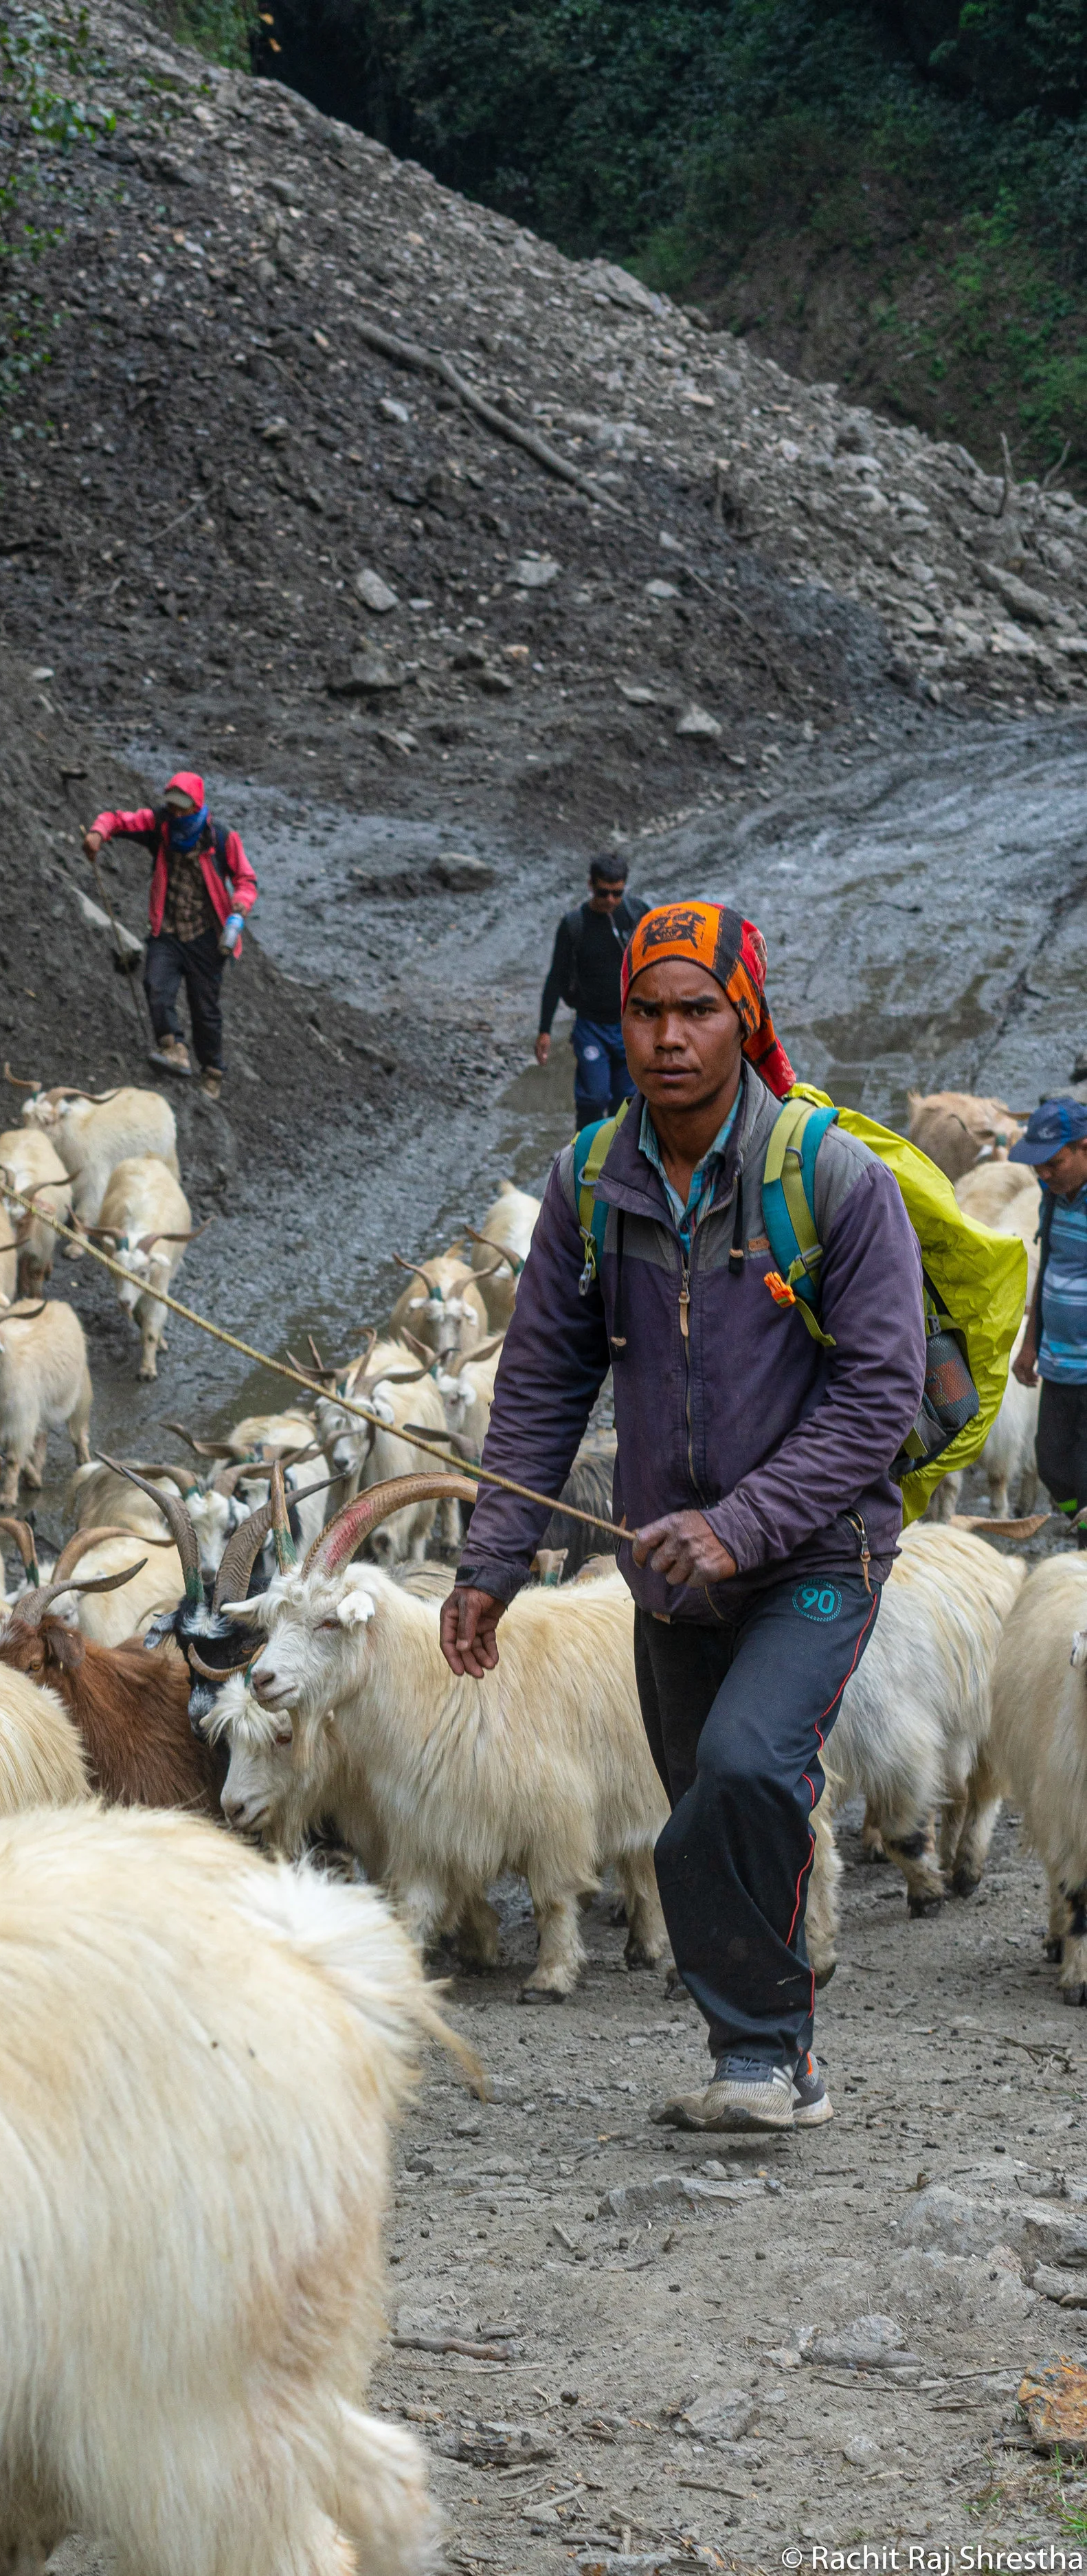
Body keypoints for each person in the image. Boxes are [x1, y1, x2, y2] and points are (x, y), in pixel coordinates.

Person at [442, 901, 927, 2135]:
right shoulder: (593, 1182)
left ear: (744, 1016)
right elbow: (546, 1376)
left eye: (696, 1009)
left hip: (819, 1550)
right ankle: (760, 2055)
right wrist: (494, 1561)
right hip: (667, 1568)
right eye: (646, 1011)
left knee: (751, 1762)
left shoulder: (831, 1178)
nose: (667, 1036)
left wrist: (745, 1521)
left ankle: (770, 2050)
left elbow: (883, 1390)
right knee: (697, 1808)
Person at [82, 773, 258, 1102]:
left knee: (204, 1008)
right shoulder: (159, 825)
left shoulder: (220, 838)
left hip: (207, 937)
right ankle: (173, 1047)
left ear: (197, 806)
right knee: (156, 985)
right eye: (172, 808)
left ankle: (212, 1072)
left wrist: (242, 902)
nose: (177, 816)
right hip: (169, 931)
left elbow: (247, 879)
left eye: (183, 810)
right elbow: (118, 820)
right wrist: (98, 832)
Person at [1009, 1097, 1087, 1537]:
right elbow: (1051, 1265)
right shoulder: (1053, 1197)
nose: (1044, 1174)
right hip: (1059, 1361)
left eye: (1054, 1163)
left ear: (1084, 1147)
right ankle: (1079, 1523)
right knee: (1053, 1465)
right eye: (1038, 1166)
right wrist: (1030, 1344)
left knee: (1084, 1470)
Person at [536, 859, 649, 1131]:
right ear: (590, 886)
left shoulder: (638, 915)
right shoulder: (575, 925)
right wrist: (544, 1031)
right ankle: (582, 1156)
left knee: (628, 1102)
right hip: (591, 1026)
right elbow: (556, 977)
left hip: (630, 1025)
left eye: (617, 893)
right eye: (603, 893)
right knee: (594, 1097)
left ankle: (619, 1162)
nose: (610, 900)